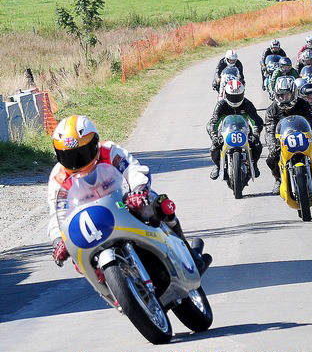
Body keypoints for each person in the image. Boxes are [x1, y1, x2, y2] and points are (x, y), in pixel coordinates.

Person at [48, 115, 210, 279]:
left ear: (94, 143)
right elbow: (57, 214)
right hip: (91, 225)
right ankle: (111, 289)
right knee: (78, 259)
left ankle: (190, 256)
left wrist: (138, 190)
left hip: (122, 205)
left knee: (160, 204)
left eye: (81, 153)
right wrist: (58, 241)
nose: (76, 162)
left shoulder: (109, 151)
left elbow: (133, 169)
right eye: (68, 156)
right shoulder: (58, 177)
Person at [264, 77, 312, 196]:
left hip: (303, 137)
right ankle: (278, 179)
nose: (284, 98)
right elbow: (269, 130)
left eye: (287, 95)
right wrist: (273, 146)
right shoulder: (272, 110)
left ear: (293, 93)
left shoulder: (303, 104)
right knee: (271, 159)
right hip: (282, 141)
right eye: (281, 95)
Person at [207, 80, 264, 180]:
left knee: (257, 145)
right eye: (232, 96)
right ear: (226, 94)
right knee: (214, 148)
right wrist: (214, 136)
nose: (235, 99)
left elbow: (257, 120)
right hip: (225, 132)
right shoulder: (221, 105)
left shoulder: (247, 104)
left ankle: (254, 164)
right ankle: (218, 165)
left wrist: (256, 134)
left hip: (245, 130)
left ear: (242, 94)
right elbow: (212, 122)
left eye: (237, 96)